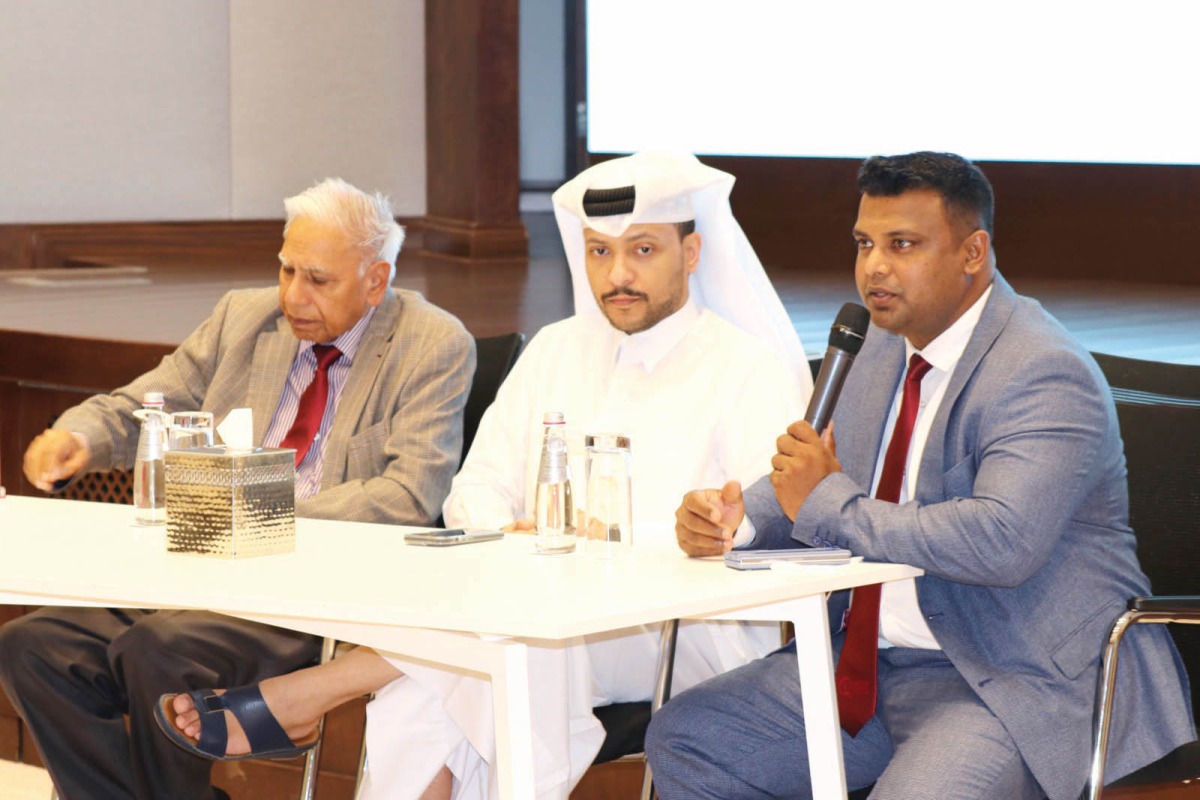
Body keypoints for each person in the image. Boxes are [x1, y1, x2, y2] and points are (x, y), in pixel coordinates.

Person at [156, 151, 814, 799]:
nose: (617, 274)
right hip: (526, 613)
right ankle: (308, 698)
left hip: (680, 632)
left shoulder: (748, 369)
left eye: (643, 250)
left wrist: (615, 542)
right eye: (599, 251)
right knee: (445, 685)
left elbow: (762, 528)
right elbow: (474, 491)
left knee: (483, 654)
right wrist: (514, 534)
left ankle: (313, 694)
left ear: (691, 253)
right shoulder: (556, 349)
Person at [650, 151, 1196, 800]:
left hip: (1007, 679)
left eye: (902, 244)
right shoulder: (879, 345)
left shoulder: (1044, 371)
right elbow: (819, 480)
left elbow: (999, 542)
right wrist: (737, 522)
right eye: (864, 243)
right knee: (688, 740)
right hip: (867, 667)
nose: (874, 266)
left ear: (973, 252)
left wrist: (824, 501)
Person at [0, 177, 475, 800]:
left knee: (157, 652)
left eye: (318, 279)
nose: (294, 295)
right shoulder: (243, 317)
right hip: (195, 570)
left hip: (312, 592)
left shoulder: (432, 344)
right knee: (31, 646)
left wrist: (255, 513)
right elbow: (146, 404)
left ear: (375, 280)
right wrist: (80, 437)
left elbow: (409, 496)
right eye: (287, 269)